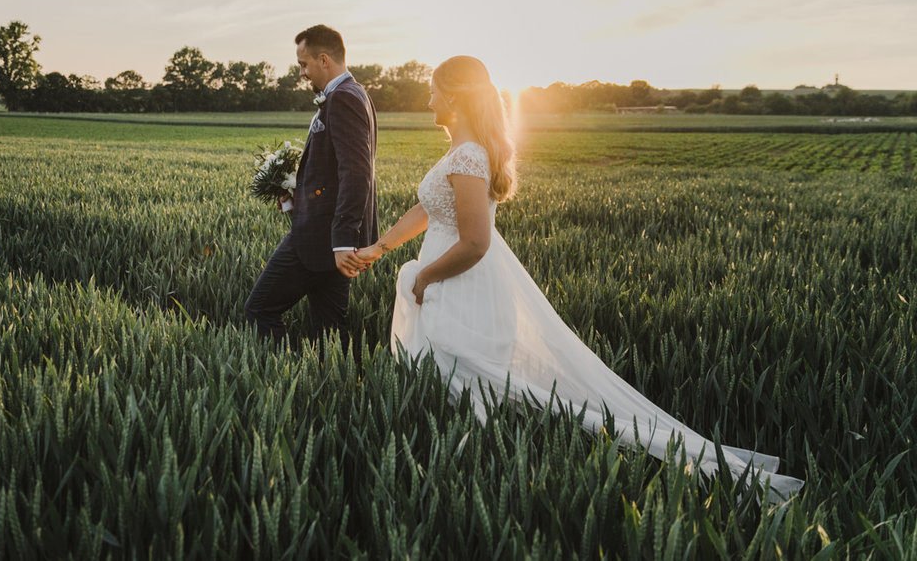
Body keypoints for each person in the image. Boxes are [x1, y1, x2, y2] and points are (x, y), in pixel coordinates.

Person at [353, 55, 803, 500]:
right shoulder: (461, 152)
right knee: (462, 387)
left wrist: (424, 278)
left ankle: (483, 477)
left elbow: (474, 243)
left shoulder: (468, 155)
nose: (428, 97)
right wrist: (381, 247)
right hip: (450, 280)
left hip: (461, 285)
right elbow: (430, 210)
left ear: (451, 94)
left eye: (433, 88)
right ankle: (471, 468)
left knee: (475, 386)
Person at [245, 25, 377, 348]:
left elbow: (356, 171)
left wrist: (343, 240)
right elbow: (334, 170)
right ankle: (331, 385)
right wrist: (295, 194)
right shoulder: (355, 94)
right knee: (329, 331)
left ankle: (284, 375)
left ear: (323, 60)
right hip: (332, 238)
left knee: (259, 310)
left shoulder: (343, 98)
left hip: (323, 238)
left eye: (303, 64)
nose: (301, 72)